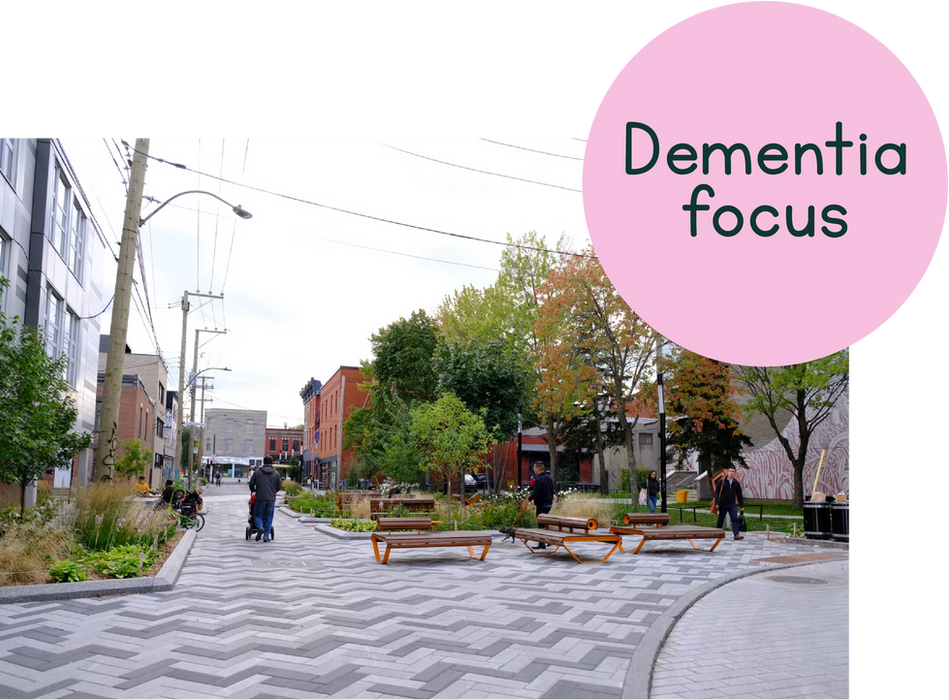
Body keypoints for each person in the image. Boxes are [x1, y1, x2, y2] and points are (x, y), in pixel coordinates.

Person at [249, 456, 282, 542]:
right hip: (271, 498)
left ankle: (260, 528)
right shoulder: (276, 473)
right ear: (272, 462)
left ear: (263, 462)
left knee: (258, 515)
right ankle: (266, 537)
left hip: (260, 497)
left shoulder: (257, 472)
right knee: (269, 517)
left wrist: (254, 490)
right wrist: (273, 491)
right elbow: (279, 486)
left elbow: (251, 483)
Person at [714, 467, 745, 540]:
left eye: (733, 471)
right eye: (730, 471)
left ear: (735, 473)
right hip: (723, 503)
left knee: (734, 518)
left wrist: (741, 505)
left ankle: (736, 534)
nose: (731, 473)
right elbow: (717, 492)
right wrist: (717, 503)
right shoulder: (721, 481)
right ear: (727, 472)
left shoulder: (736, 483)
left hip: (732, 504)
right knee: (721, 518)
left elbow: (739, 495)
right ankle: (717, 533)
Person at [527, 462, 554, 549]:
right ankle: (544, 542)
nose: (533, 469)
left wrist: (530, 498)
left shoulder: (538, 479)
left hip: (541, 504)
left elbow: (536, 493)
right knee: (544, 523)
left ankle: (543, 542)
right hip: (549, 503)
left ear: (538, 468)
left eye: (534, 467)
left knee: (540, 523)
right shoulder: (549, 478)